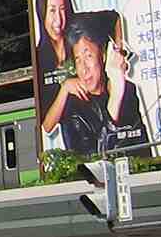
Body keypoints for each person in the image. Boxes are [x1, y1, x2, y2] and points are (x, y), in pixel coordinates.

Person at [42, 14, 151, 158]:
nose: (83, 68)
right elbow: (96, 159)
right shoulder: (72, 104)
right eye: (78, 60)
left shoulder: (127, 90)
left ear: (104, 55)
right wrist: (116, 93)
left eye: (88, 56)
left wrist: (119, 51)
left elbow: (140, 149)